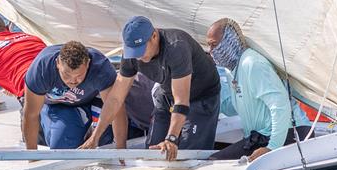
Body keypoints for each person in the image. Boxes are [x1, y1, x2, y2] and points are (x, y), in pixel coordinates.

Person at [83, 16, 221, 160]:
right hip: (166, 94)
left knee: (187, 156)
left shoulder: (176, 47)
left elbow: (181, 101)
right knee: (152, 153)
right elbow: (115, 98)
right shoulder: (132, 55)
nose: (138, 57)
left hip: (200, 96)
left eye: (141, 50)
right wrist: (95, 137)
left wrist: (171, 138)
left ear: (154, 36)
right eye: (134, 52)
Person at [206, 18, 311, 161]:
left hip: (291, 133)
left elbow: (280, 106)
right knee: (214, 162)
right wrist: (207, 92)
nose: (211, 51)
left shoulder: (252, 63)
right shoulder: (231, 70)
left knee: (215, 163)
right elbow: (234, 107)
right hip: (261, 136)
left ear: (228, 42)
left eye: (214, 45)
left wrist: (272, 148)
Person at [23, 41, 128, 149]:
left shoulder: (100, 67)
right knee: (62, 146)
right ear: (58, 63)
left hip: (94, 101)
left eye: (79, 75)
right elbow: (31, 114)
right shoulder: (42, 69)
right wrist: (32, 156)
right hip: (57, 105)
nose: (73, 81)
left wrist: (121, 148)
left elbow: (116, 106)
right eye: (66, 75)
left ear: (88, 63)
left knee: (106, 142)